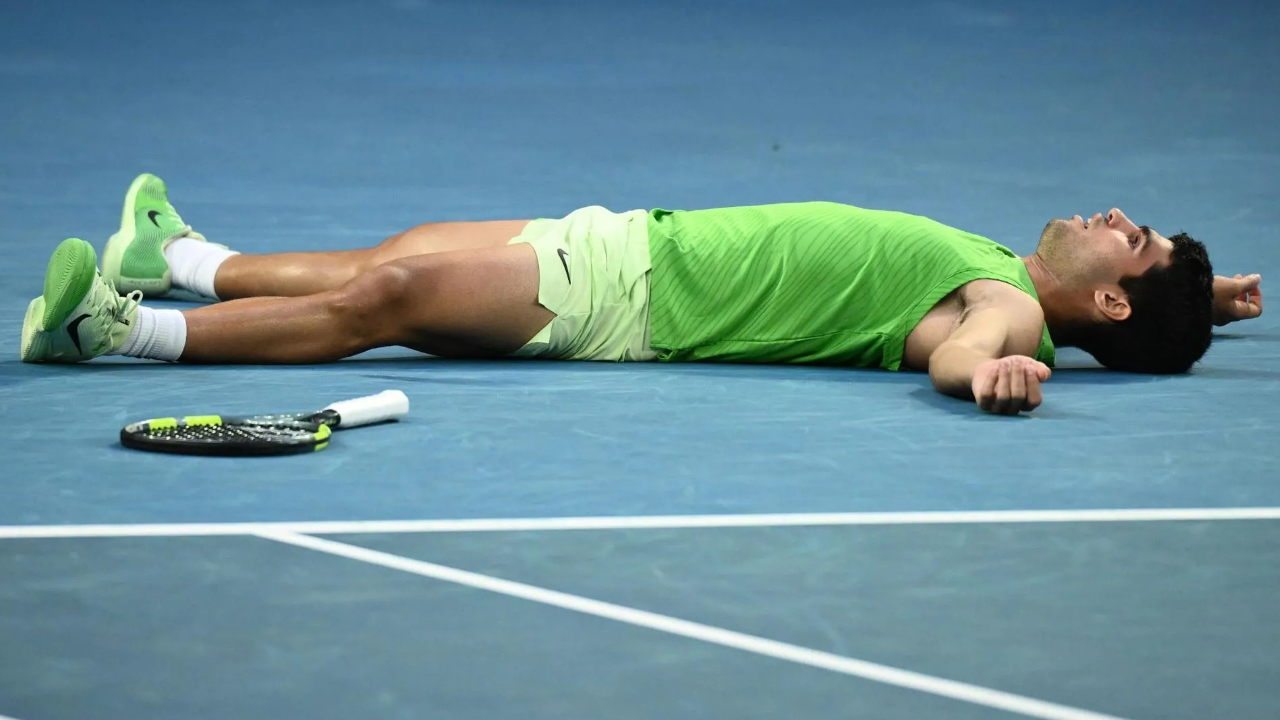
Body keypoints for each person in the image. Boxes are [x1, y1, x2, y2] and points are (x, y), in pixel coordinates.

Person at [19, 174, 1264, 415]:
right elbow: (1111, 313)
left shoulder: (997, 309)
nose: (1113, 218)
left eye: (1132, 241)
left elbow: (966, 350)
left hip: (625, 302)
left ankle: (122, 335)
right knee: (382, 256)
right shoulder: (1017, 268)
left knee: (387, 295)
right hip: (628, 240)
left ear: (1100, 307)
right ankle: (176, 260)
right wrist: (1188, 306)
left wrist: (994, 373)